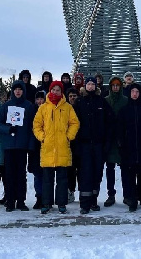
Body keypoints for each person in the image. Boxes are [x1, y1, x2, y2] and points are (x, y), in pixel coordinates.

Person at [33, 80, 80, 214]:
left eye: (58, 90)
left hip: (62, 148)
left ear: (61, 92)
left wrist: (68, 136)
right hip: (47, 148)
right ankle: (46, 203)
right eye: (53, 90)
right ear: (50, 91)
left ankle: (61, 203)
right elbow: (36, 125)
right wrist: (42, 137)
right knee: (47, 179)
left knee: (62, 180)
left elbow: (74, 123)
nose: (55, 92)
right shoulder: (43, 107)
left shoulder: (67, 107)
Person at [72, 76, 113, 214]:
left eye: (92, 84)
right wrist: (76, 144)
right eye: (88, 84)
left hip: (98, 145)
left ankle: (93, 201)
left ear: (96, 86)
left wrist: (106, 143)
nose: (90, 86)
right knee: (85, 174)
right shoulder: (79, 102)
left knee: (97, 173)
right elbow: (73, 124)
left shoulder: (102, 101)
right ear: (85, 86)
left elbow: (109, 123)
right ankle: (84, 204)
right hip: (84, 145)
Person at [0, 80, 36, 212]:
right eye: (15, 89)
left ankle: (21, 201)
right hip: (9, 146)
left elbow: (32, 127)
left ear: (23, 91)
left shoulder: (28, 106)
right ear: (12, 91)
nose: (18, 91)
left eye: (20, 89)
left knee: (20, 174)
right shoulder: (6, 106)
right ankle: (10, 201)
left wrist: (30, 145)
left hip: (22, 146)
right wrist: (8, 129)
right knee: (9, 174)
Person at [118, 84, 141, 212]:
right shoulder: (124, 111)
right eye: (132, 91)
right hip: (129, 149)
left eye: (137, 91)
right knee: (130, 176)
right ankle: (132, 200)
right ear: (129, 93)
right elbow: (120, 130)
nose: (135, 94)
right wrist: (121, 144)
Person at [103, 76, 128, 207]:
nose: (116, 87)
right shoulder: (106, 100)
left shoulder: (125, 101)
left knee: (125, 168)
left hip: (122, 138)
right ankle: (111, 194)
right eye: (113, 85)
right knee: (110, 168)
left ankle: (127, 195)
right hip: (109, 138)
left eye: (118, 85)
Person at [28, 90, 46, 209]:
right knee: (37, 174)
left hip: (46, 145)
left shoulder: (48, 110)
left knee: (46, 174)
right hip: (34, 146)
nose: (39, 101)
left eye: (41, 99)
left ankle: (46, 197)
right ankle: (39, 196)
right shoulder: (31, 111)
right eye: (37, 99)